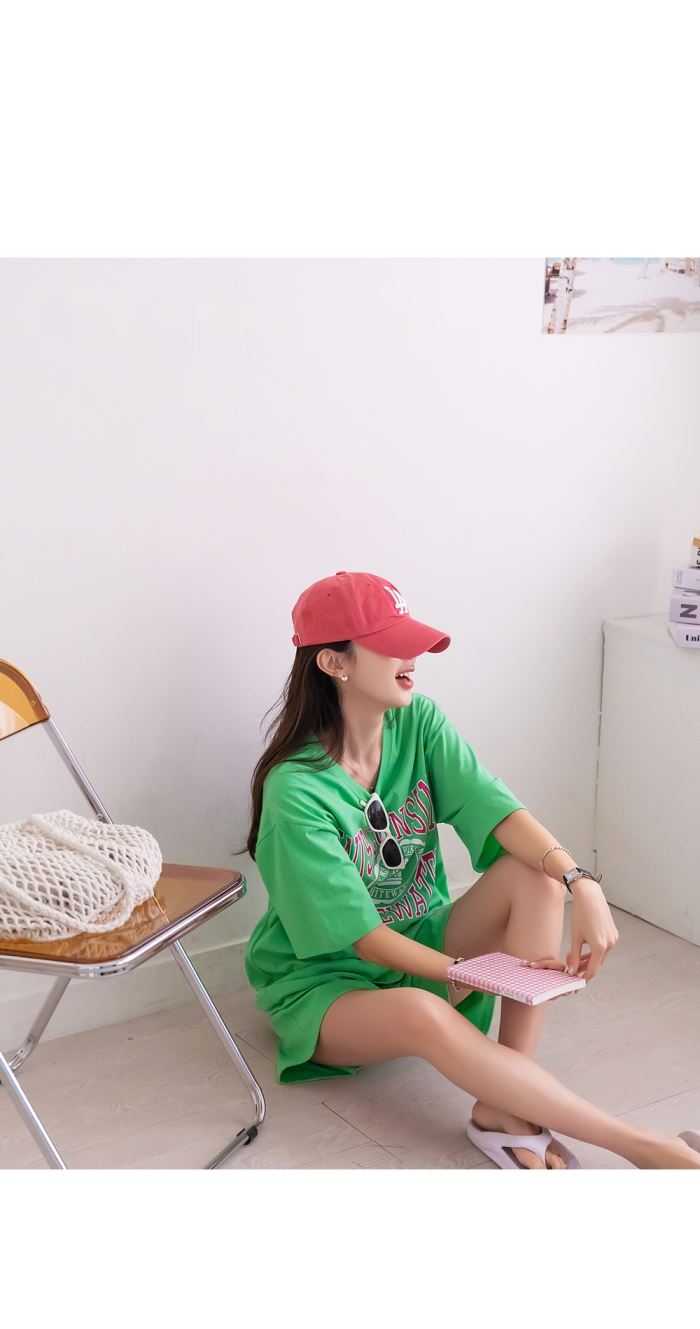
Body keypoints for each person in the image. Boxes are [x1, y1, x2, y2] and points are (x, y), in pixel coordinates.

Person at [240, 570, 700, 1170]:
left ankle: (502, 1107)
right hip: (327, 987)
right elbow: (363, 939)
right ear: (333, 662)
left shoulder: (418, 723)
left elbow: (498, 811)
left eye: (412, 641)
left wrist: (580, 882)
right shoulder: (296, 790)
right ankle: (648, 1149)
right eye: (390, 644)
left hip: (422, 939)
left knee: (535, 874)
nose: (412, 657)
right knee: (421, 1010)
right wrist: (471, 973)